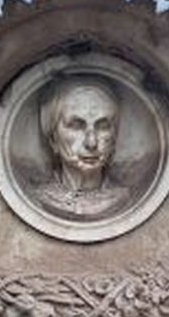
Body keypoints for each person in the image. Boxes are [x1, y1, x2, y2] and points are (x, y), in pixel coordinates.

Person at [34, 75, 126, 217]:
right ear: (53, 139)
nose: (91, 143)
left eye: (102, 126)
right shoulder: (41, 195)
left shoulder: (122, 196)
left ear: (114, 138)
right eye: (76, 126)